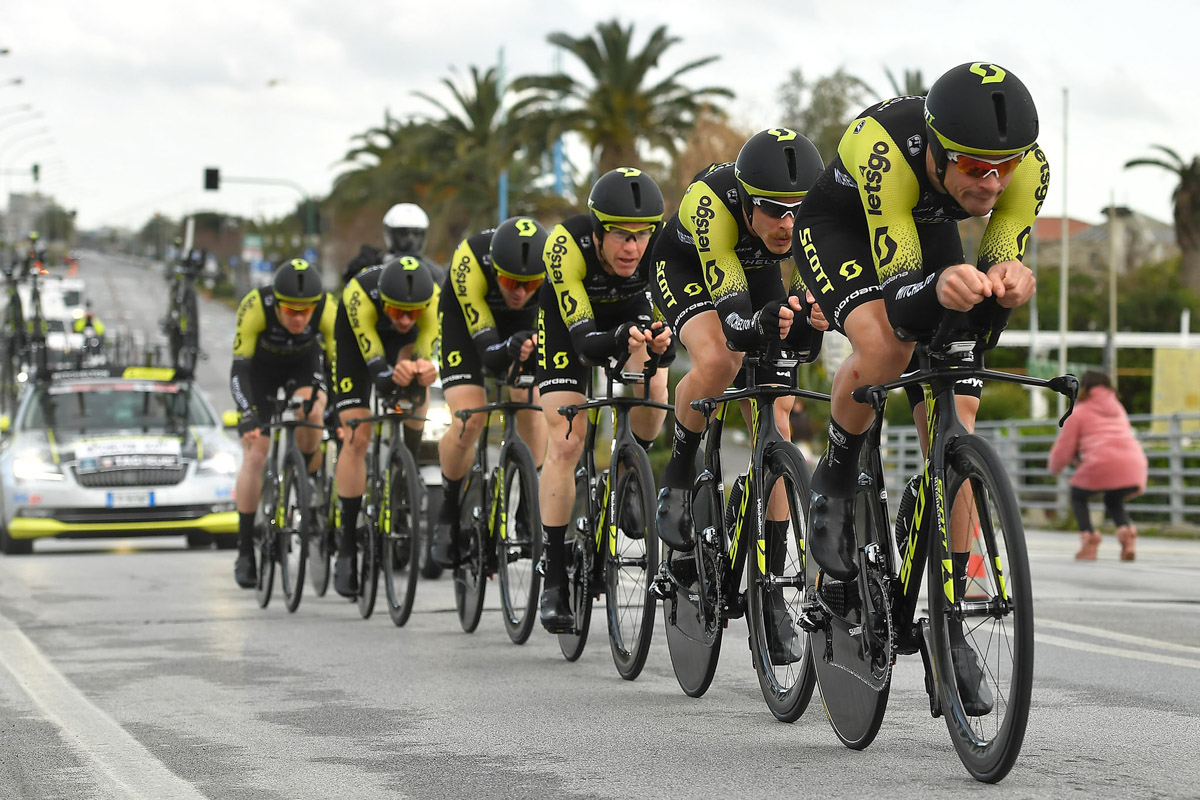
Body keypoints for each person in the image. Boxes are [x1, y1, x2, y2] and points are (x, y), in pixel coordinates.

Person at [795, 62, 1048, 716]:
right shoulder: (885, 151)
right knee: (887, 344)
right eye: (972, 166)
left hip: (926, 225)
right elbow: (906, 301)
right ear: (936, 148)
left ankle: (948, 621)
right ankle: (835, 477)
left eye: (1004, 167)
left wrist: (1008, 289)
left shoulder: (1027, 172)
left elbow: (983, 310)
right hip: (844, 228)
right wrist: (939, 289)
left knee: (959, 403)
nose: (991, 184)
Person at [536, 167, 674, 632]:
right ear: (597, 232)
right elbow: (583, 344)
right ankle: (553, 576)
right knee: (567, 439)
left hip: (627, 310)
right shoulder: (565, 246)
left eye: (641, 236)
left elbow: (669, 339)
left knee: (655, 388)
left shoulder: (659, 250)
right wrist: (616, 336)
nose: (632, 248)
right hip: (568, 321)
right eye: (620, 236)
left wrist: (658, 344)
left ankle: (631, 469)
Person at [430, 216, 550, 568]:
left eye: (530, 284)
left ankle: (529, 504)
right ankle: (448, 513)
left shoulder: (551, 270)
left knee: (532, 404)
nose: (520, 292)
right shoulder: (470, 261)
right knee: (469, 419)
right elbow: (490, 356)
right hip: (465, 326)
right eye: (511, 281)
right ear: (495, 268)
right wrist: (509, 350)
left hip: (524, 326)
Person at [331, 255, 440, 597]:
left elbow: (426, 349)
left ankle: (403, 472)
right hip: (358, 344)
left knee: (417, 386)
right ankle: (347, 544)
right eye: (398, 311)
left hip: (400, 347)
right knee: (357, 436)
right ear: (384, 301)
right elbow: (375, 365)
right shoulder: (359, 294)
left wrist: (421, 369)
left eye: (414, 312)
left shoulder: (432, 299)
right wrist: (387, 374)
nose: (406, 319)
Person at [229, 258, 336, 588]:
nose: (300, 318)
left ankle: (308, 480)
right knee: (256, 453)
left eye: (306, 311)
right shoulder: (255, 306)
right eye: (291, 310)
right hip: (259, 374)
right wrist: (247, 412)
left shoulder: (327, 309)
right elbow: (239, 369)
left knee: (313, 414)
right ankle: (245, 549)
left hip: (303, 368)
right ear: (276, 303)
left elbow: (336, 366)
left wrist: (334, 407)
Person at [1048, 371, 1148, 561]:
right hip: (1134, 464)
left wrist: (1055, 467)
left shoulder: (1080, 411)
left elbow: (1064, 448)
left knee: (1077, 494)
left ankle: (1089, 541)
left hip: (1101, 463)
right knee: (1113, 499)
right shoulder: (1118, 408)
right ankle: (1127, 535)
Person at [341, 202, 445, 287]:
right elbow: (349, 282)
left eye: (416, 234)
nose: (411, 241)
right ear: (390, 234)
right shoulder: (375, 265)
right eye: (403, 234)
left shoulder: (435, 272)